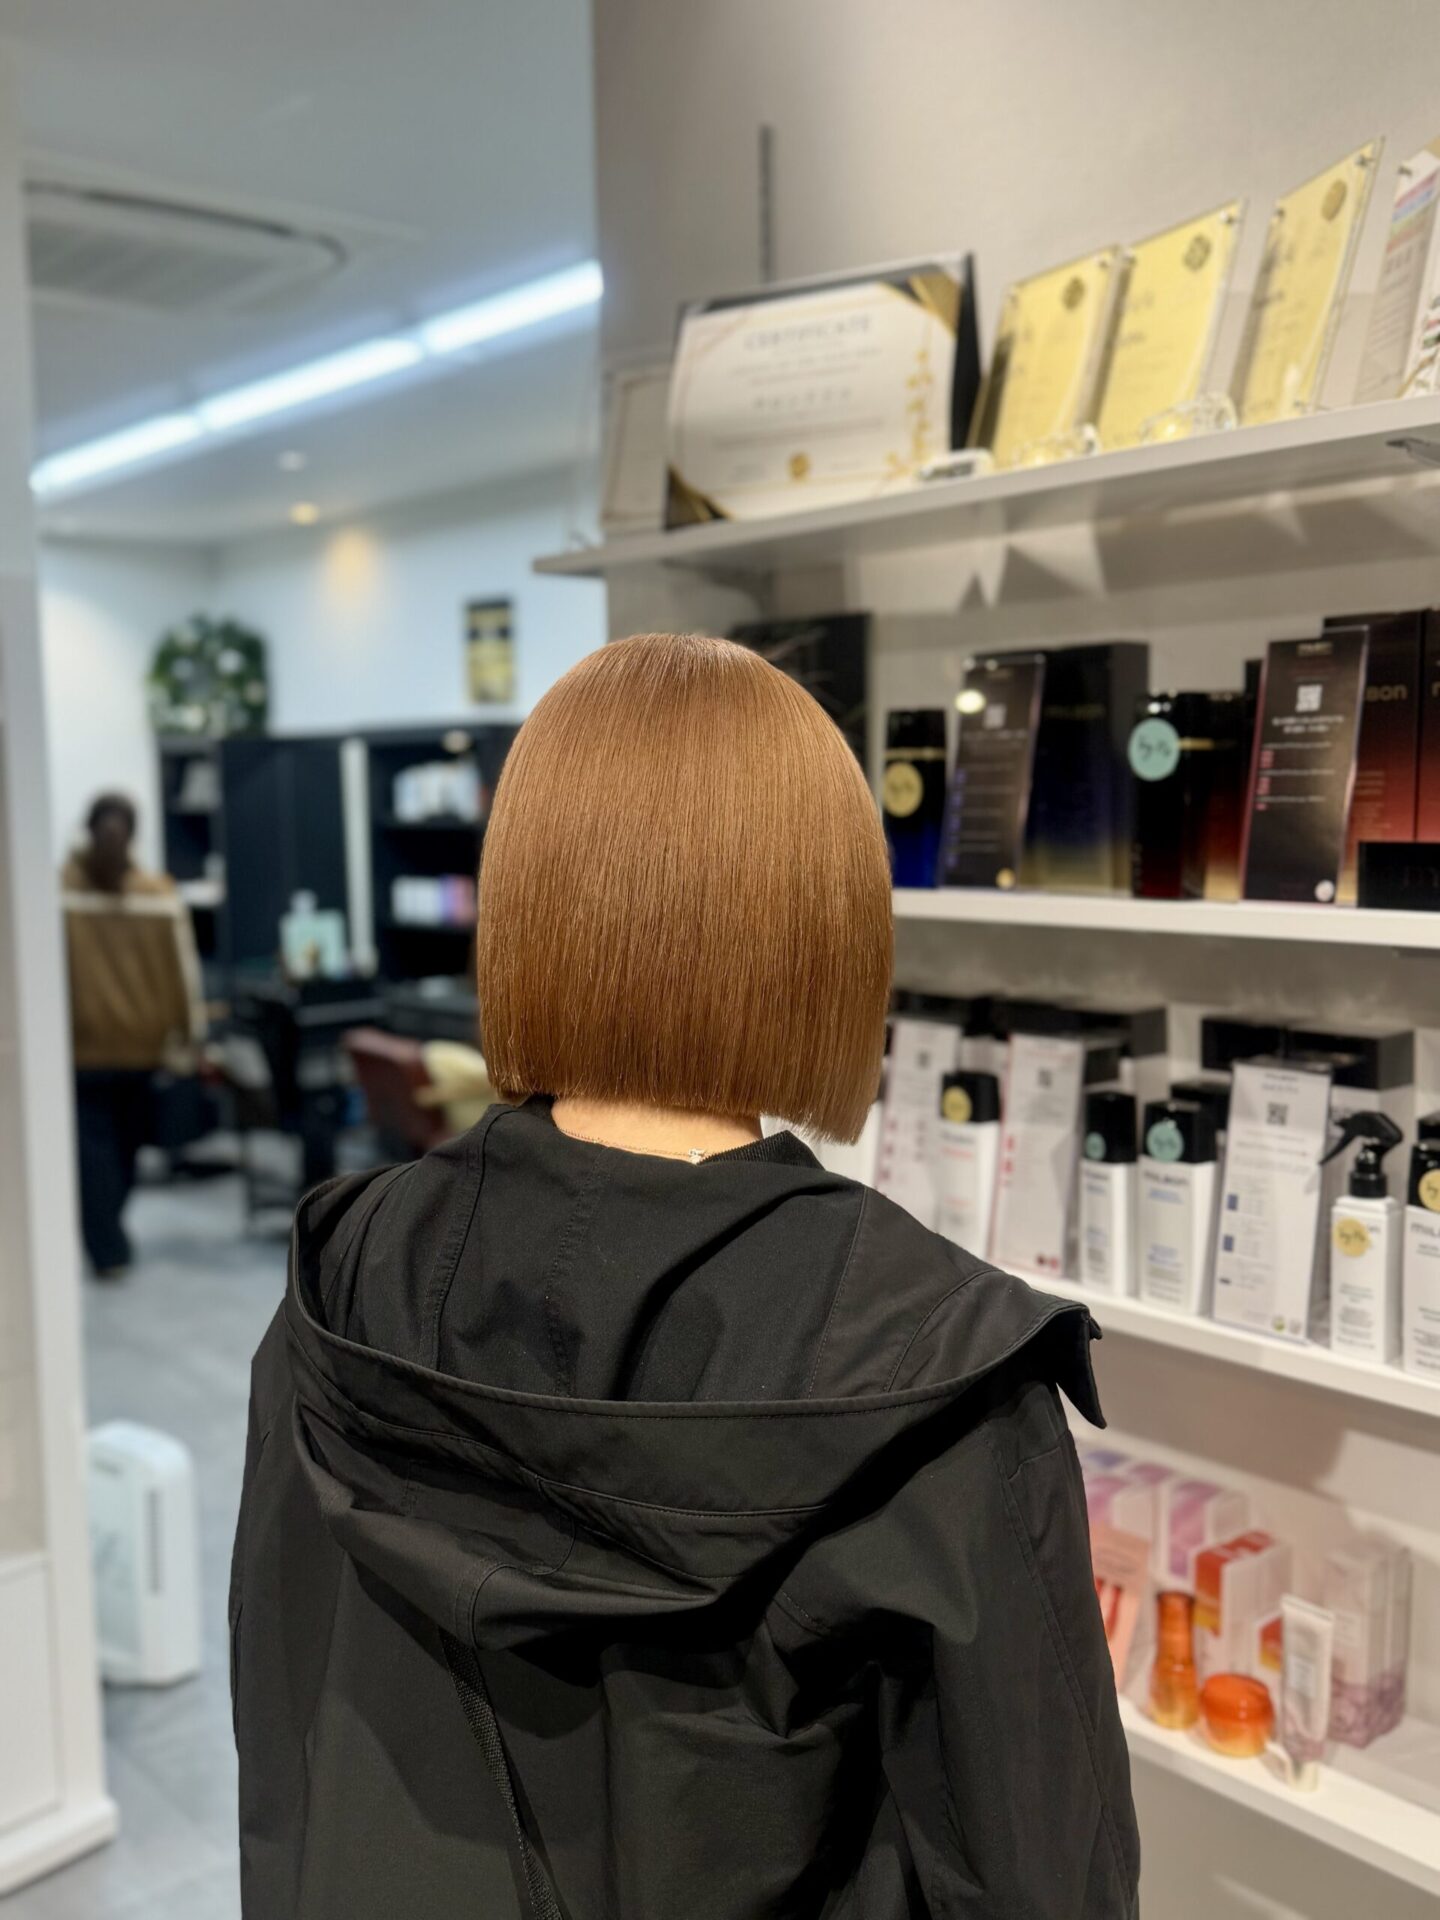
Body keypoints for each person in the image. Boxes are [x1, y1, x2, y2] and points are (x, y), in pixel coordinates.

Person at [231, 635, 1139, 1918]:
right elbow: (1043, 1883)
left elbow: (283, 1727)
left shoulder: (341, 1278)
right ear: (828, 933)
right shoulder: (937, 1388)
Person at [62, 792, 203, 1276]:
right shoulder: (152, 895)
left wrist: (187, 1033)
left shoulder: (66, 891)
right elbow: (184, 974)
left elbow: (182, 973)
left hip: (98, 1050)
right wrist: (189, 1034)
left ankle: (107, 1242)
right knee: (116, 1153)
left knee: (106, 1154)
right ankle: (110, 1248)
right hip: (119, 1050)